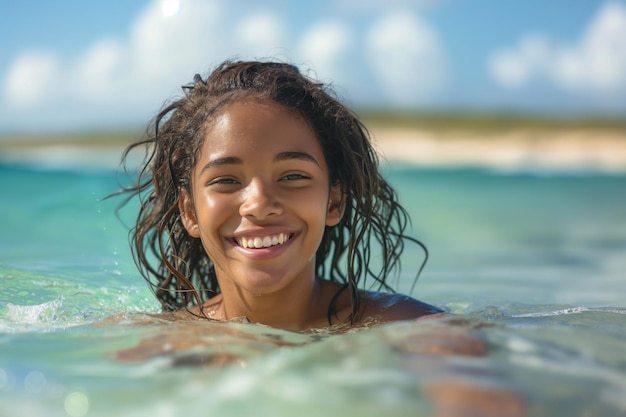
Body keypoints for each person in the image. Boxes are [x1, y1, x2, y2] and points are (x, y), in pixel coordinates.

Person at [116, 60, 442, 332]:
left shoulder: (415, 331)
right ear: (189, 212)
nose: (258, 204)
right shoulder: (154, 342)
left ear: (334, 201)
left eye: (293, 176)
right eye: (227, 180)